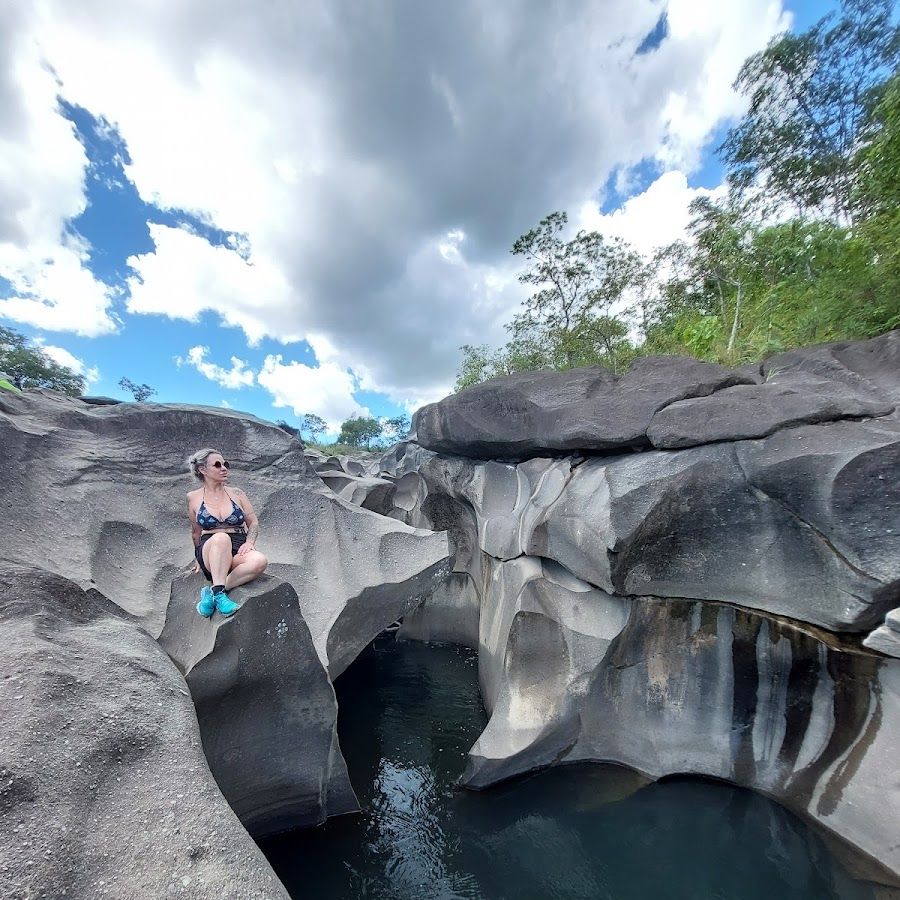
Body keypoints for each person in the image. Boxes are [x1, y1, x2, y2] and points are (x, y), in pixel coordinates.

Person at [186, 448, 268, 618]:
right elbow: (196, 532)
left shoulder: (237, 493)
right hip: (211, 549)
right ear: (202, 469)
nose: (224, 468)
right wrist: (197, 558)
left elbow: (253, 522)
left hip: (238, 546)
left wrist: (249, 542)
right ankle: (220, 595)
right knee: (221, 538)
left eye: (225, 464)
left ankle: (214, 592)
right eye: (217, 465)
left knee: (260, 561)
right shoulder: (193, 497)